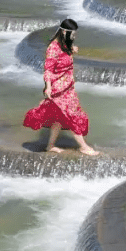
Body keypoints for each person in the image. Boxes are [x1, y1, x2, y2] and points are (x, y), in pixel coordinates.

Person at [22, 19, 99, 156]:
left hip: (68, 88)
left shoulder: (65, 44)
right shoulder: (53, 48)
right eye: (72, 34)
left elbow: (64, 56)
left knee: (59, 119)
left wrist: (71, 50)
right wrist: (49, 87)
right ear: (64, 31)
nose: (74, 37)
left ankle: (50, 146)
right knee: (72, 116)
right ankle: (83, 146)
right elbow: (48, 70)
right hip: (59, 90)